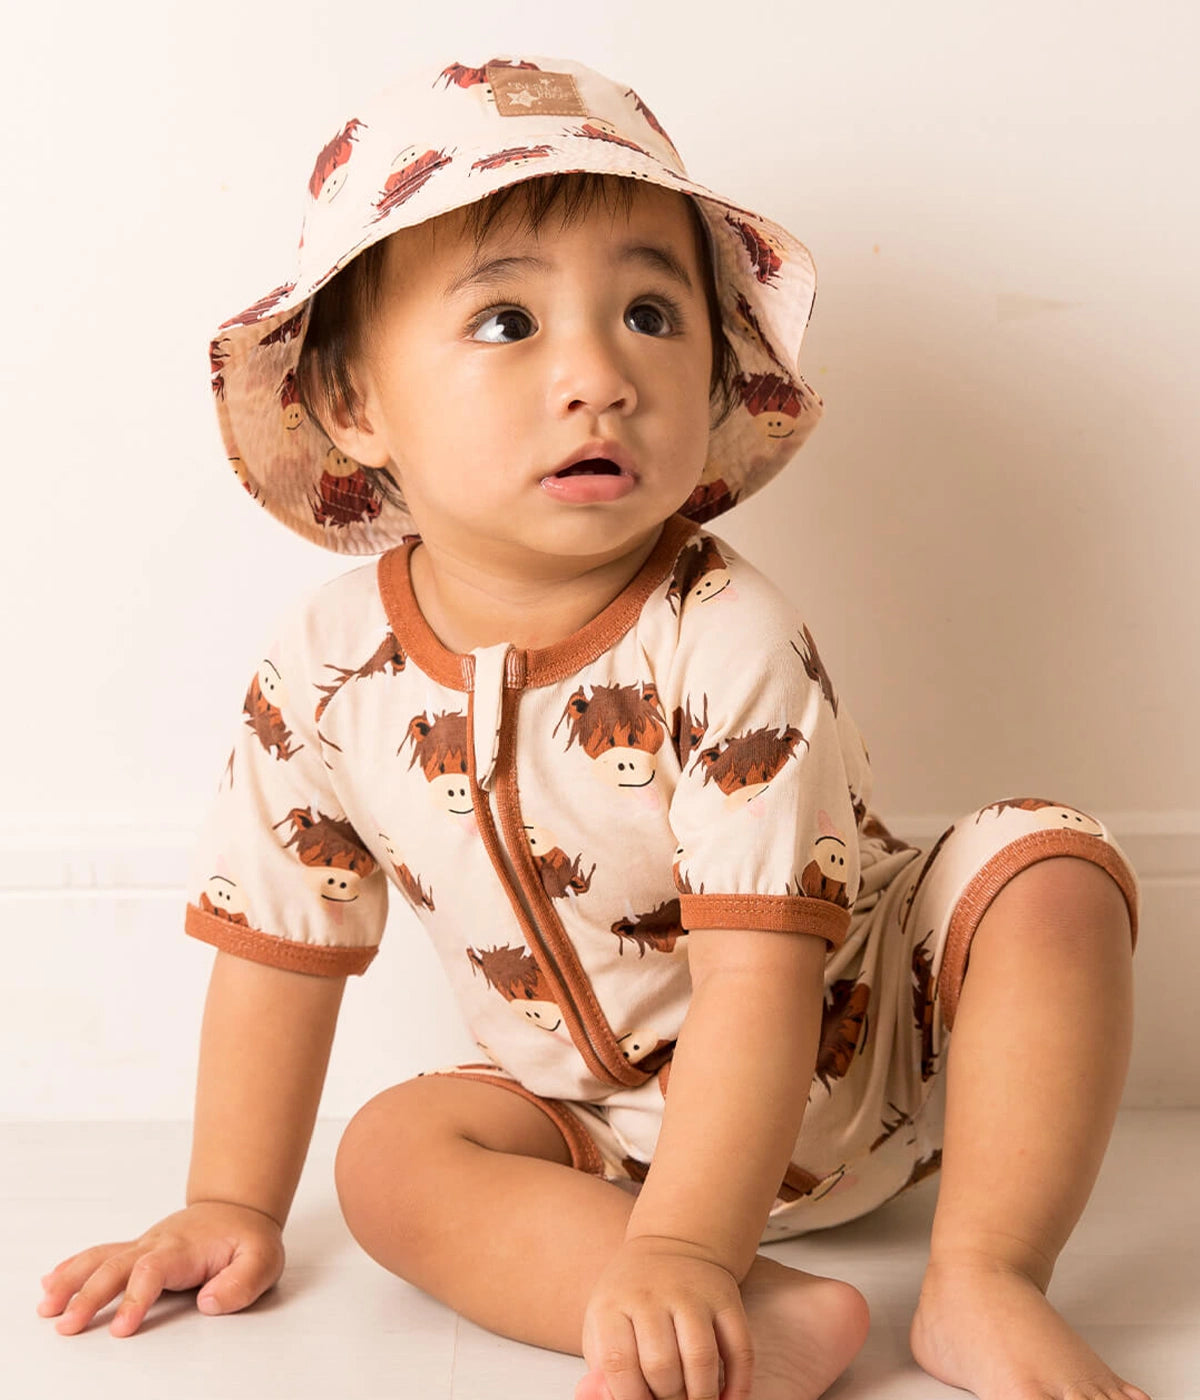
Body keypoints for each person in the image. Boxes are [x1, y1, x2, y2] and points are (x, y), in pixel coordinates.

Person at [37, 56, 1148, 1400]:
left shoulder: (722, 633)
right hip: (592, 1121)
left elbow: (758, 980)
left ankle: (983, 1277)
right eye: (507, 321)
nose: (600, 376)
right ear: (355, 407)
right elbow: (282, 948)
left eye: (649, 314)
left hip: (865, 1054)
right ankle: (744, 1315)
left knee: (1049, 867)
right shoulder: (326, 667)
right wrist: (228, 1202)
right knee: (388, 1158)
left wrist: (685, 1240)